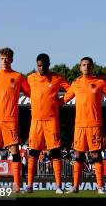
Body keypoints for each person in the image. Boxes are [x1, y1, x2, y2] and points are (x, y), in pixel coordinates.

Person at [63, 57, 106, 195]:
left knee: (96, 155)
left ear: (92, 67)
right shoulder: (76, 83)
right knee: (78, 156)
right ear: (80, 67)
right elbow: (64, 99)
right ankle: (75, 187)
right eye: (83, 65)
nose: (86, 67)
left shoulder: (100, 82)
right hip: (79, 127)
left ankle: (100, 187)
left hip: (94, 125)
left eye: (88, 65)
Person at [0, 47, 31, 191]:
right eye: (1, 58)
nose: (4, 61)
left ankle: (17, 184)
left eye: (7, 58)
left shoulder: (18, 77)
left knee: (14, 150)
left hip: (10, 120)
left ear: (12, 59)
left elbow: (31, 93)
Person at [25, 53, 70, 194]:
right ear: (36, 65)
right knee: (33, 152)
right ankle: (29, 186)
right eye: (39, 65)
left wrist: (61, 102)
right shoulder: (30, 78)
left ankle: (58, 187)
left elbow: (73, 90)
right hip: (36, 121)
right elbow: (26, 92)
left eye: (44, 65)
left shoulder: (57, 78)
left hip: (52, 120)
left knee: (55, 152)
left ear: (49, 64)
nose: (41, 68)